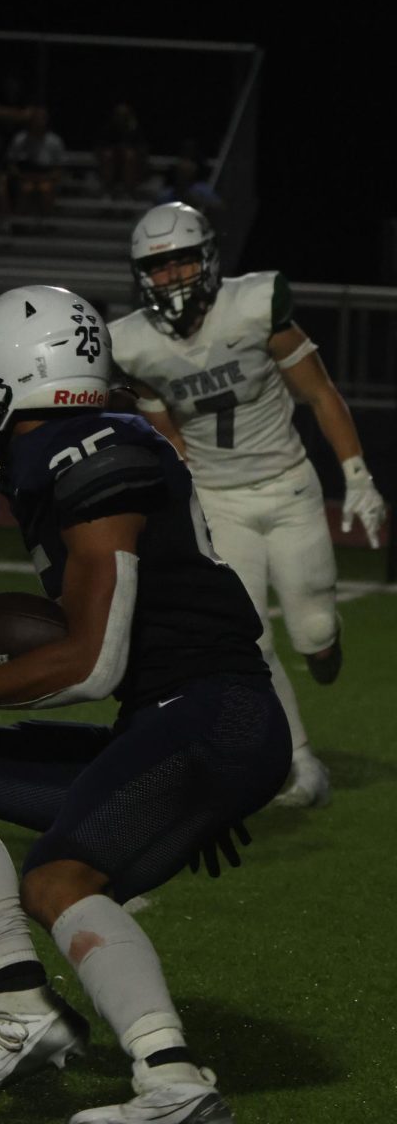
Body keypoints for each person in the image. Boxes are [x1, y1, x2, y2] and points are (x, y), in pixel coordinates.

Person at [0, 285, 292, 1123]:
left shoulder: (86, 452)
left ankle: (171, 1078)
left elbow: (93, 659)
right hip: (180, 720)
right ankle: (24, 1012)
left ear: (3, 378)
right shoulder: (87, 444)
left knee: (56, 876)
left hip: (214, 713)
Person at [109, 202, 386, 808]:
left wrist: (357, 474)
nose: (173, 277)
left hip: (288, 486)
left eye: (183, 261)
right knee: (248, 638)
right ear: (140, 275)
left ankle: (324, 645)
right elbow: (169, 438)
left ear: (207, 259)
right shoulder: (130, 344)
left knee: (313, 633)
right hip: (219, 498)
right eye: (158, 267)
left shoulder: (256, 304)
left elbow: (319, 392)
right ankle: (300, 761)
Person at [6, 107, 65, 228]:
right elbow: (11, 164)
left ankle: (45, 223)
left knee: (45, 188)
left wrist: (45, 177)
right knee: (25, 188)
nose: (38, 122)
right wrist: (22, 176)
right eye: (35, 119)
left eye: (41, 119)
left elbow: (59, 168)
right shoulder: (20, 139)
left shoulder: (55, 141)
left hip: (46, 175)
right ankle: (20, 224)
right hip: (25, 175)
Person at [94, 101, 149, 203]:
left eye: (124, 115)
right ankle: (107, 191)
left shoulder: (135, 130)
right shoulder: (108, 129)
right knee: (107, 156)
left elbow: (142, 151)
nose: (121, 117)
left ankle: (128, 193)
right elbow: (100, 149)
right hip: (111, 166)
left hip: (132, 168)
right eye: (119, 115)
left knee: (130, 156)